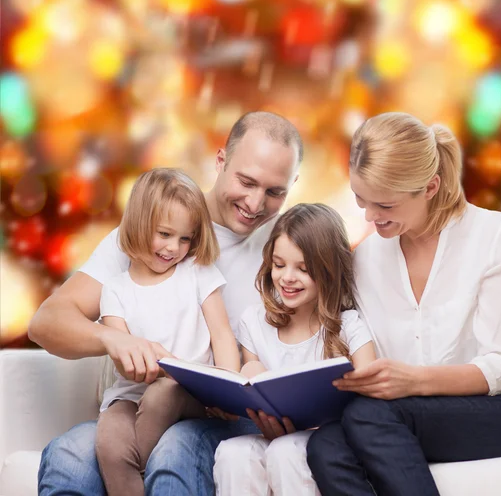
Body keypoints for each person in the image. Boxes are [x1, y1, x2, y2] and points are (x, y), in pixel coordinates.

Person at [306, 112, 501, 496]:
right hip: (415, 414)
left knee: (371, 417)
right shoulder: (367, 259)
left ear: (431, 187)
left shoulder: (495, 236)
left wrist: (411, 381)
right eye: (361, 200)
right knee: (326, 446)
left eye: (385, 205)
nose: (370, 217)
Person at [29, 111, 303, 495]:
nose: (256, 203)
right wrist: (114, 339)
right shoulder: (148, 232)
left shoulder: (290, 247)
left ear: (293, 187)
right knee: (69, 455)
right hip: (138, 406)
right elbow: (46, 323)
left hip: (222, 415)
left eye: (275, 192)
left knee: (174, 449)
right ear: (220, 160)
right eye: (246, 181)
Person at [213, 203, 376, 496]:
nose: (287, 278)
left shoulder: (349, 326)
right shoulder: (254, 321)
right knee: (233, 452)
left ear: (328, 271)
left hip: (329, 440)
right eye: (278, 265)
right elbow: (253, 391)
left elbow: (370, 400)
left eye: (303, 269)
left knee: (287, 451)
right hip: (271, 434)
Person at [95, 168, 240, 495]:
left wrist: (228, 388)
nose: (174, 248)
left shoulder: (197, 270)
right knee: (109, 444)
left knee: (163, 393)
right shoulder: (116, 289)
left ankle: (146, 472)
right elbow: (123, 359)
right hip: (132, 394)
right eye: (164, 234)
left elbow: (222, 335)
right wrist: (151, 358)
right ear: (138, 224)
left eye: (185, 238)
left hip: (191, 394)